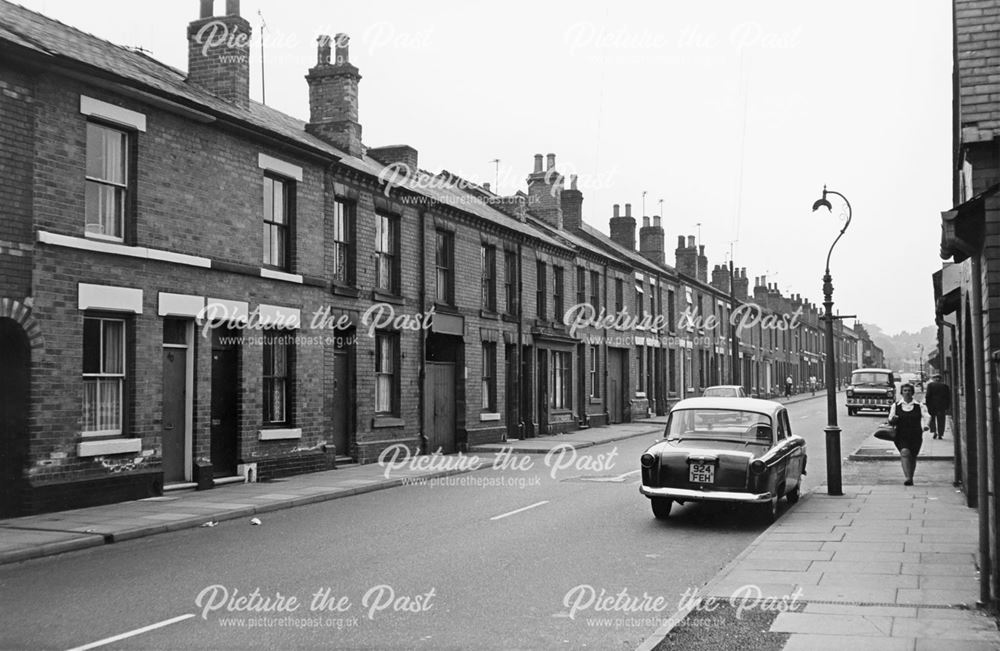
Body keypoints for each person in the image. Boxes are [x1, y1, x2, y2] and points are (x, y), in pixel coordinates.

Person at [887, 382, 930, 485]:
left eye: (909, 391)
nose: (907, 393)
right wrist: (893, 419)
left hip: (915, 434)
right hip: (901, 434)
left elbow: (927, 416)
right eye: (905, 391)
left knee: (913, 456)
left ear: (913, 393)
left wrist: (926, 425)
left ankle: (911, 476)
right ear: (901, 392)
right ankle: (907, 478)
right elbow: (890, 418)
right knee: (905, 452)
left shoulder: (919, 405)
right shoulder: (896, 405)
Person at [924, 373, 951, 440]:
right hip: (941, 406)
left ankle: (934, 431)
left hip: (932, 406)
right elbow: (948, 397)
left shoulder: (930, 385)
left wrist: (927, 405)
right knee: (941, 420)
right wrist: (947, 406)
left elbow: (927, 396)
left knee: (932, 419)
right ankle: (940, 434)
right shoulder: (945, 386)